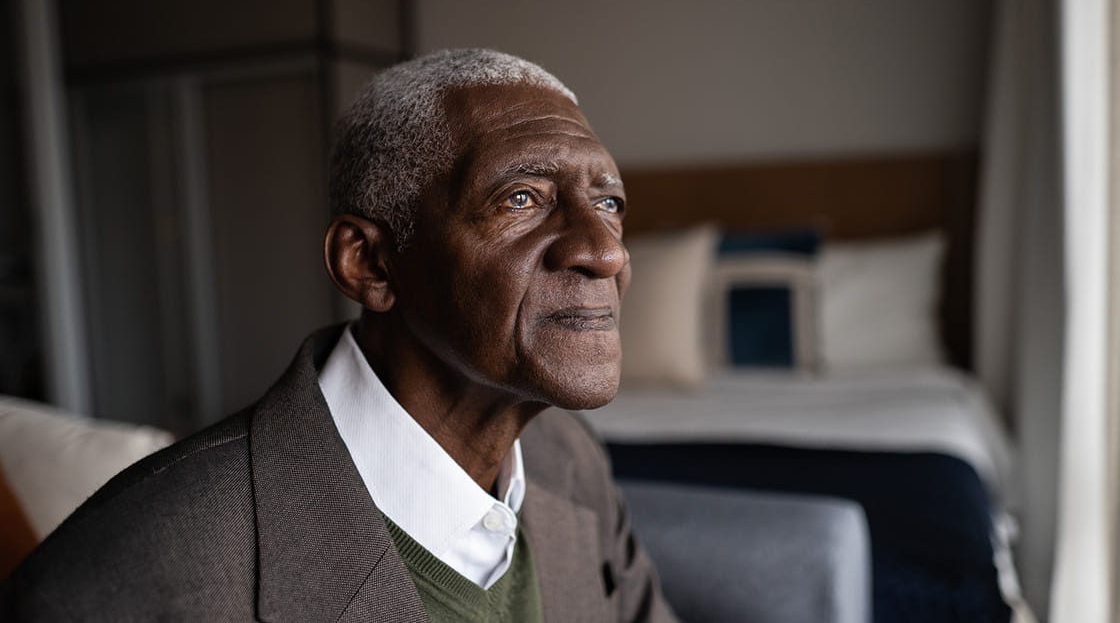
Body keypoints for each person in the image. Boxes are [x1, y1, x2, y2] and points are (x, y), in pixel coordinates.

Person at [1, 49, 678, 622]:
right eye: (522, 198)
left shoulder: (570, 461)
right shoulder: (146, 566)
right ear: (371, 263)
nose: (605, 251)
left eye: (608, 204)